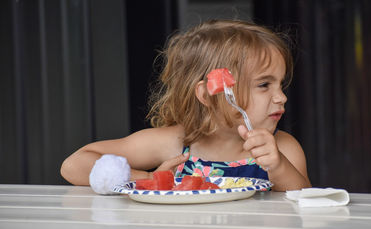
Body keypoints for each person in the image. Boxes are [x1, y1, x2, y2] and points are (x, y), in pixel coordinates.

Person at [60, 19, 311, 194]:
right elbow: (74, 165)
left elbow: (304, 204)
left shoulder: (282, 148)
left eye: (281, 84)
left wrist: (278, 168)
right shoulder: (176, 143)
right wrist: (149, 179)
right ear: (208, 94)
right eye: (264, 85)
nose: (281, 97)